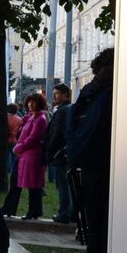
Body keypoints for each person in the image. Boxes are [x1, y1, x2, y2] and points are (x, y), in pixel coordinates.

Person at [66, 49, 113, 253]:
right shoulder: (108, 97)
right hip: (106, 171)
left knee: (96, 239)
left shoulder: (87, 97)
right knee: (104, 239)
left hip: (91, 171)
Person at [4, 92, 49, 219]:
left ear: (40, 104)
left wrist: (18, 147)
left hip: (31, 155)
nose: (31, 104)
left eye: (33, 102)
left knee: (33, 184)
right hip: (24, 155)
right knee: (16, 181)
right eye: (29, 102)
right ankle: (9, 209)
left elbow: (33, 138)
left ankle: (33, 211)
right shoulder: (31, 117)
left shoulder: (40, 119)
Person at [45, 84, 75, 223]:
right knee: (67, 185)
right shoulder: (68, 109)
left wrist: (50, 149)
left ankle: (64, 214)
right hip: (65, 152)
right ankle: (71, 213)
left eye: (57, 93)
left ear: (65, 95)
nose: (54, 96)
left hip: (60, 154)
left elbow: (57, 133)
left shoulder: (63, 111)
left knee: (62, 185)